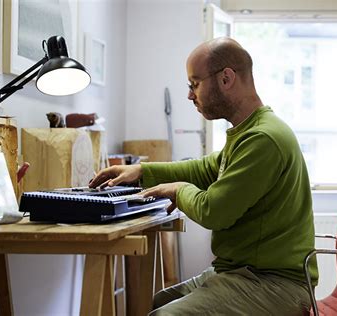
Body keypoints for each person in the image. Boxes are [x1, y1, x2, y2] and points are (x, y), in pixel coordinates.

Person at [89, 37, 318, 315]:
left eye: (194, 84)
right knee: (153, 303)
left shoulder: (263, 138)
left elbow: (214, 211)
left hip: (274, 284)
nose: (189, 94)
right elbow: (205, 169)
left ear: (226, 78)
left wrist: (178, 190)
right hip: (244, 274)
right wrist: (141, 171)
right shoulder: (248, 131)